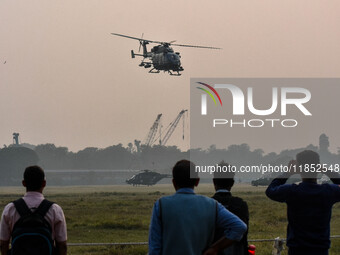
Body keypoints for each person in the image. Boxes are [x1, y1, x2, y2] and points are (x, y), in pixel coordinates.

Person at [148, 160, 247, 255]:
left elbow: (154, 247)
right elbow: (239, 227)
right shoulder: (212, 205)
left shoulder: (160, 205)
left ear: (173, 182)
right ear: (197, 181)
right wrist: (214, 248)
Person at [266, 150, 340, 255]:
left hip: (297, 249)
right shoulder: (328, 191)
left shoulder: (292, 191)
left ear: (299, 168)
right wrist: (326, 171)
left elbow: (270, 190)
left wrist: (287, 173)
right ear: (317, 167)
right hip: (321, 249)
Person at [0, 165, 67, 255]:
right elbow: (62, 245)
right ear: (44, 183)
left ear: (23, 183)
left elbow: (3, 243)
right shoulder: (55, 209)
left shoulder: (10, 209)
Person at [212, 162, 249, 255]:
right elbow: (244, 235)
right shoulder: (241, 205)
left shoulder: (208, 204)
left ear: (214, 182)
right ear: (232, 183)